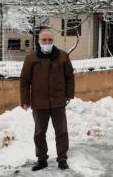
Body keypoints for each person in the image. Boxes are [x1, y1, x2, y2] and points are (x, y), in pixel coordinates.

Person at [20, 28, 75, 171]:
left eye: (50, 40)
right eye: (44, 40)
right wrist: (25, 100)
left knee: (61, 132)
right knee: (39, 133)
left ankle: (62, 159)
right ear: (39, 41)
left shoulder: (63, 56)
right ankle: (42, 159)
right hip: (39, 103)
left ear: (53, 41)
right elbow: (25, 81)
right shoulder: (31, 58)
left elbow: (69, 77)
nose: (47, 42)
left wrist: (69, 94)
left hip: (58, 101)